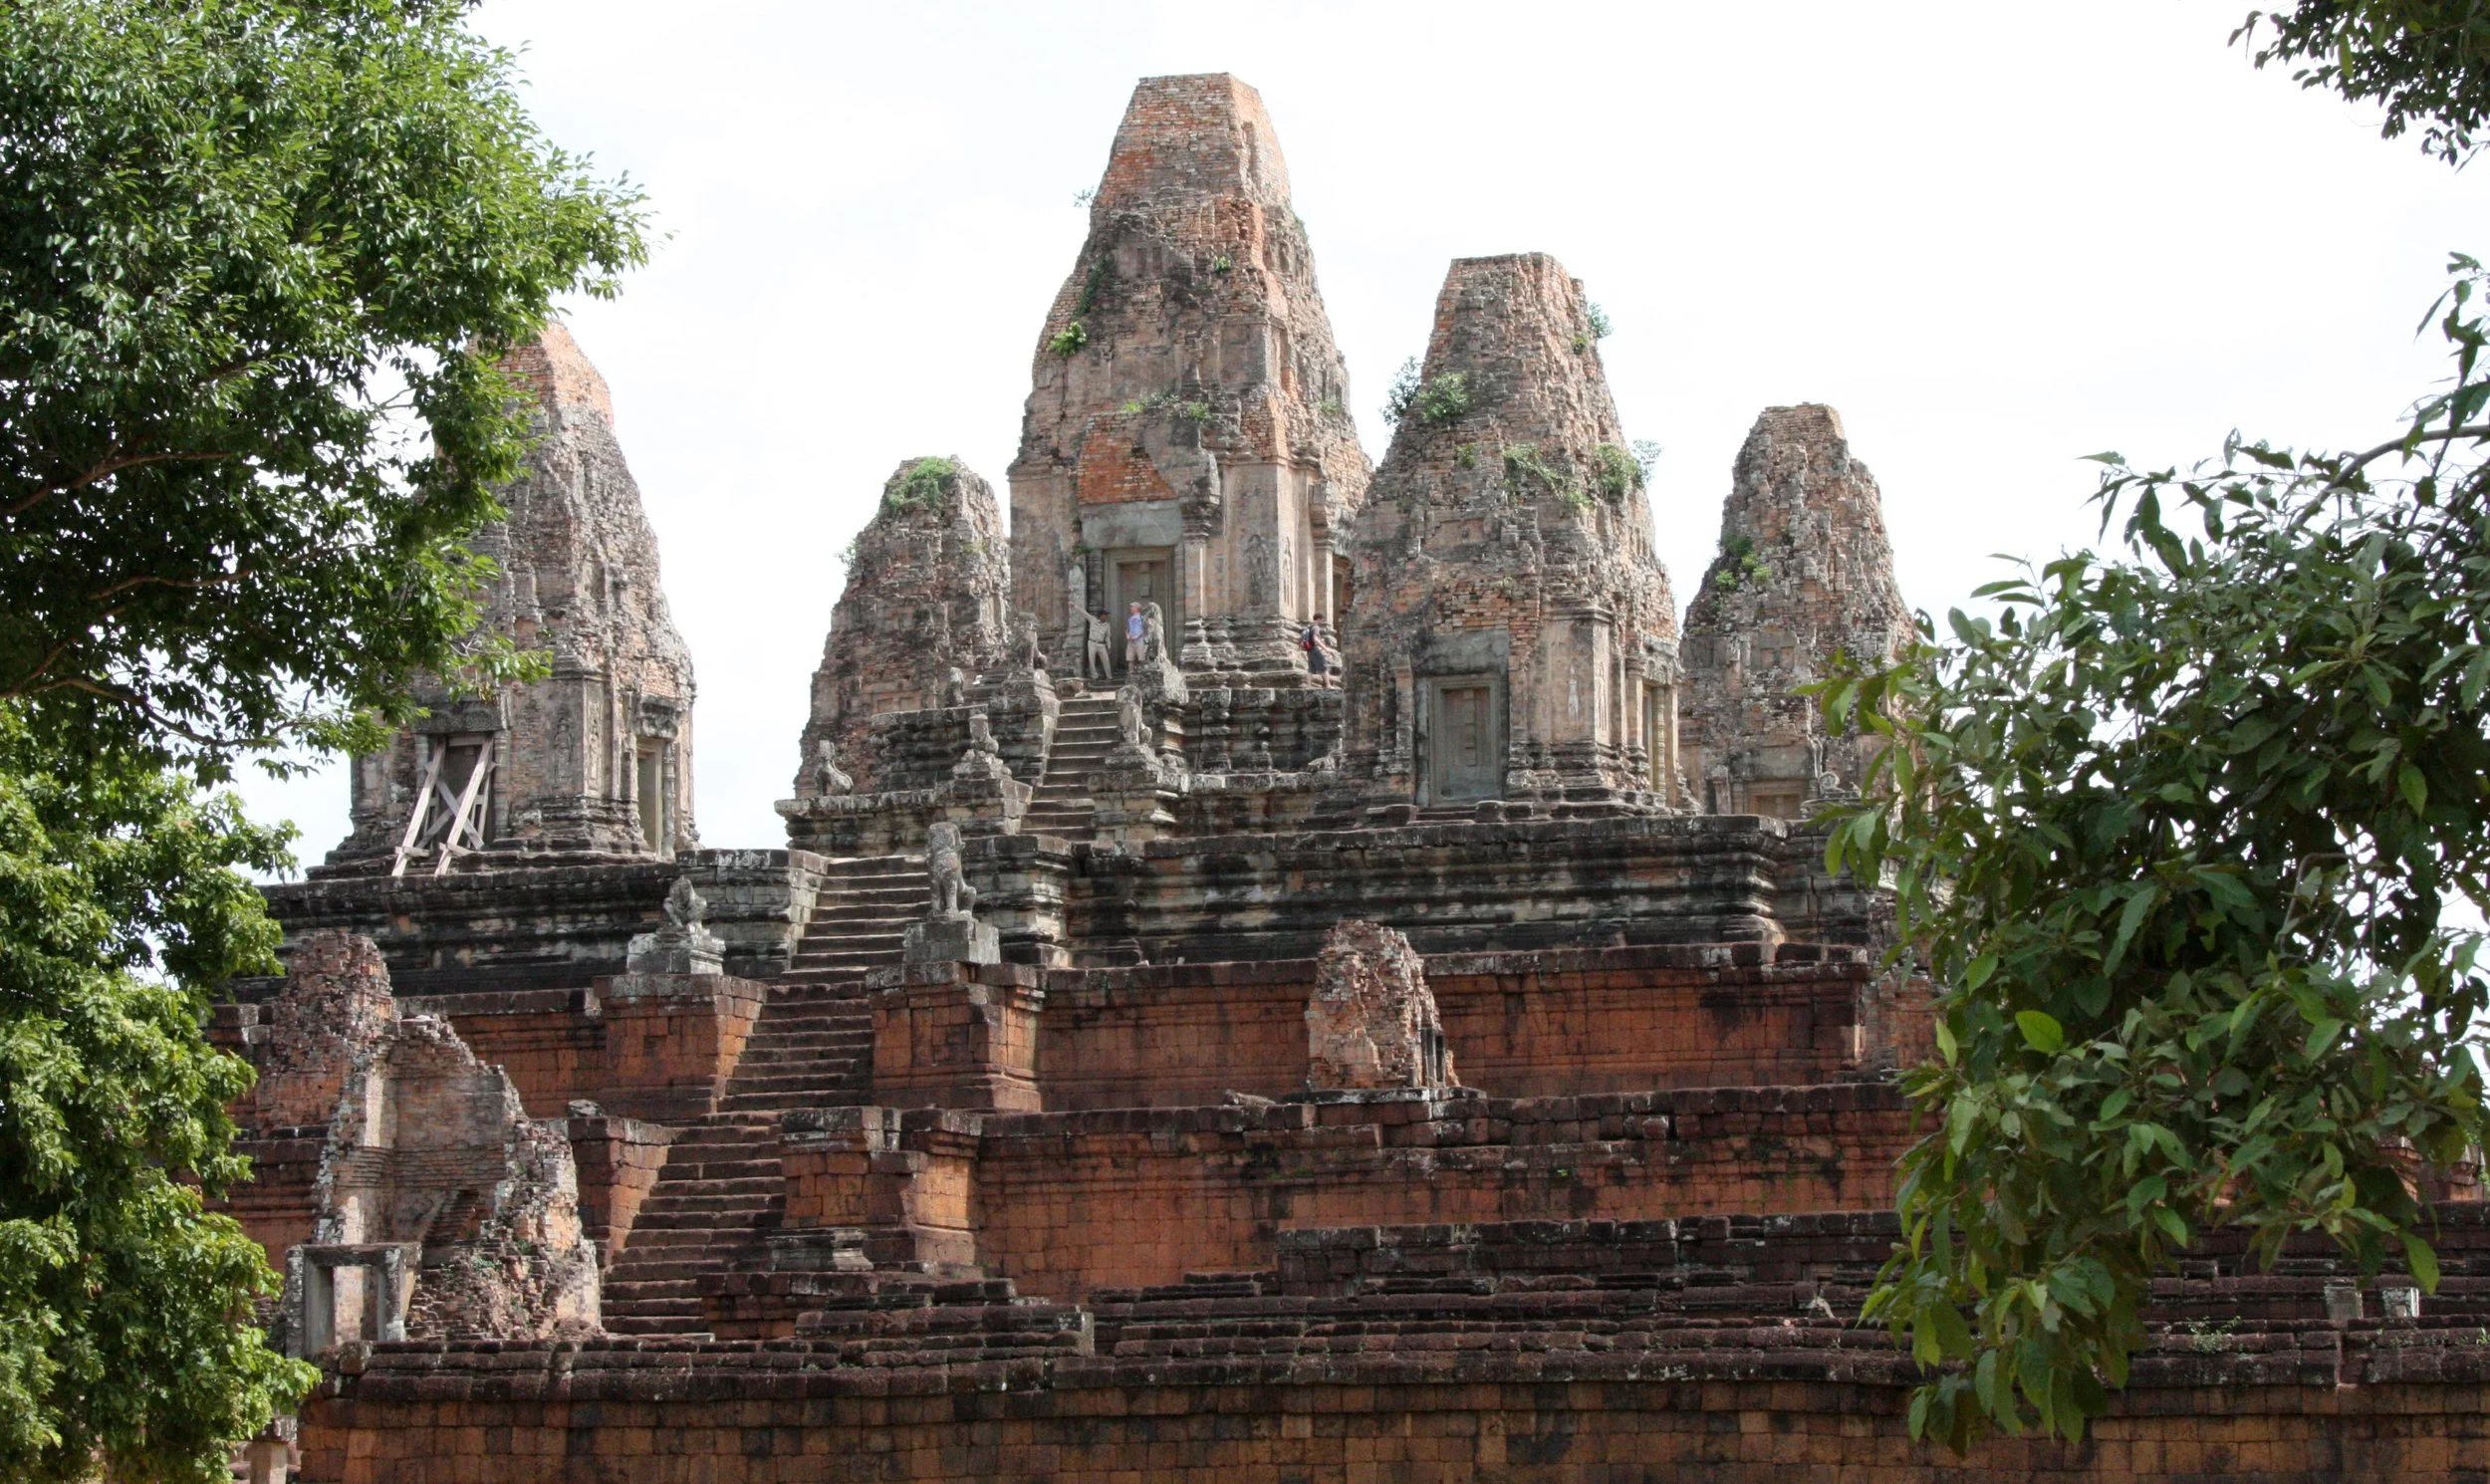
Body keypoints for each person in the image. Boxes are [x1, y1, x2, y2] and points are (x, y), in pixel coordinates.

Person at [1302, 615, 1332, 684]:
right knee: (1323, 666)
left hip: (1309, 650)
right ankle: (1328, 685)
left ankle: (1308, 686)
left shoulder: (1309, 627)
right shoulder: (1316, 627)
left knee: (1311, 669)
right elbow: (1315, 639)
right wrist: (1325, 648)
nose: (1322, 621)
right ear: (1318, 619)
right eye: (1322, 619)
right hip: (1314, 649)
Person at [1085, 609, 1113, 679]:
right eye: (1104, 615)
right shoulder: (1093, 620)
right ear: (1100, 615)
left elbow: (1107, 637)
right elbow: (1083, 613)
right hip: (1092, 642)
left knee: (1106, 660)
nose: (1106, 616)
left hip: (1101, 644)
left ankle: (1109, 676)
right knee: (1091, 660)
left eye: (1106, 615)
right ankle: (1094, 676)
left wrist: (1109, 646)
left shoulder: (1107, 625)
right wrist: (1074, 606)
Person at [1124, 602, 1144, 671]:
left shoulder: (1142, 618)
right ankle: (1131, 674)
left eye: (1132, 607)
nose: (1131, 608)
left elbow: (1145, 629)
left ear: (1136, 608)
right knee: (1130, 659)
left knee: (1141, 659)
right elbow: (1127, 629)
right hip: (1131, 641)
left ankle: (1142, 674)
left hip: (1140, 641)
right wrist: (1127, 635)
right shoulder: (1130, 618)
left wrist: (1137, 636)